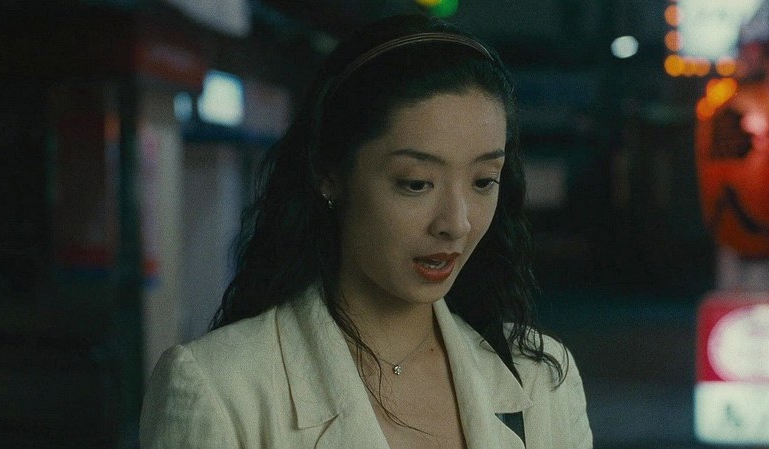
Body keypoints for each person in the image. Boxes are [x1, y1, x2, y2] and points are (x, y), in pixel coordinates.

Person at [140, 13, 592, 449]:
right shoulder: (220, 390)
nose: (456, 223)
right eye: (416, 183)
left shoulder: (541, 379)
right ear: (329, 173)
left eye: (483, 181)